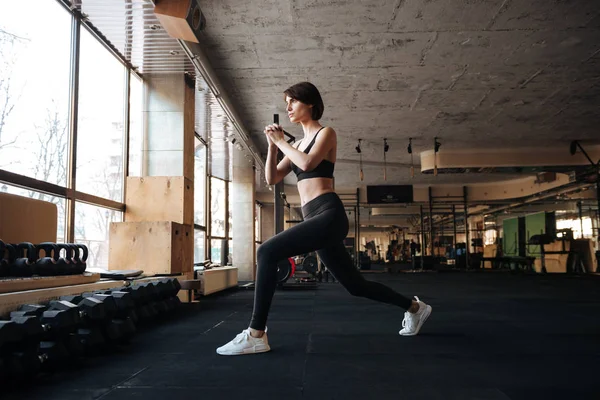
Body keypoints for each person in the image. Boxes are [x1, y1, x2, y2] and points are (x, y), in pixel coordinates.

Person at [216, 82, 432, 356]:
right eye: (286, 103)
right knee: (356, 286)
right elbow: (272, 178)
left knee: (267, 251)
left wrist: (282, 142)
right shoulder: (296, 144)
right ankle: (415, 307)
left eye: (292, 102)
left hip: (329, 214)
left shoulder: (325, 133)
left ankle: (256, 333)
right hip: (314, 218)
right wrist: (272, 146)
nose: (288, 108)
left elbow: (307, 164)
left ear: (309, 103)